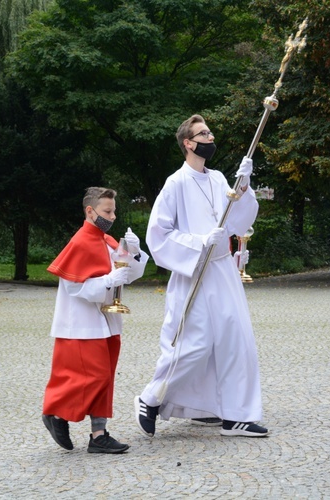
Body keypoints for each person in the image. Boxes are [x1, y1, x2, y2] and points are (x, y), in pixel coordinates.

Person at [134, 114, 268, 439]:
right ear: (188, 143)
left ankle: (235, 415)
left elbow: (237, 221)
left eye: (209, 132)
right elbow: (158, 235)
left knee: (237, 341)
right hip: (194, 271)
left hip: (222, 270)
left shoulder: (219, 178)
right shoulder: (175, 183)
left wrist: (245, 188)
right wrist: (197, 244)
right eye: (203, 133)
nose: (210, 137)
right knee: (194, 345)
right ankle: (150, 398)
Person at [42, 187, 149, 454]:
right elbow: (75, 287)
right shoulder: (80, 242)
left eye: (113, 211)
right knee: (88, 377)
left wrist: (133, 252)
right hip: (81, 324)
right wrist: (107, 281)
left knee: (105, 376)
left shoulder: (106, 240)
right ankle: (56, 414)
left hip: (105, 321)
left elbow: (128, 275)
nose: (112, 217)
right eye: (107, 211)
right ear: (90, 211)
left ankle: (98, 435)